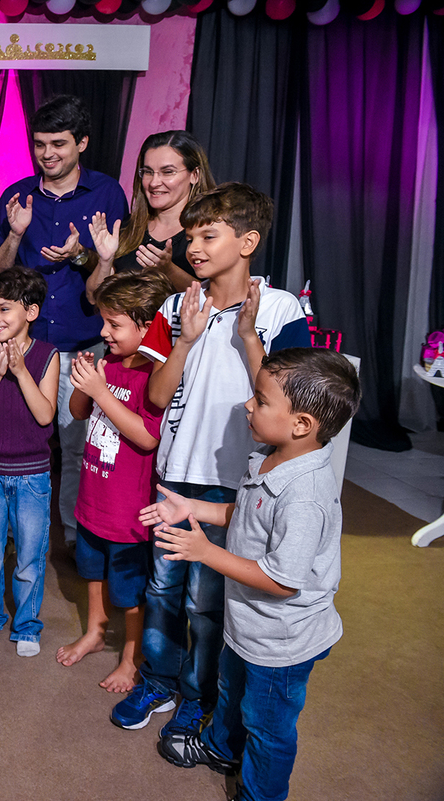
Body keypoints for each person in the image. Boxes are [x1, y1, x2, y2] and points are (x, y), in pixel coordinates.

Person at [112, 183, 312, 737]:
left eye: (208, 236)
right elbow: (156, 397)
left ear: (247, 242)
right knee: (162, 588)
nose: (193, 248)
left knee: (206, 600)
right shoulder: (177, 306)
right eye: (190, 238)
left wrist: (248, 337)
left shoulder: (280, 308)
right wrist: (185, 339)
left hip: (234, 482)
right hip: (176, 474)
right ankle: (158, 678)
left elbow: (289, 400)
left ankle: (198, 695)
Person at [145, 348, 361, 801]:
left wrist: (205, 552)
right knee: (231, 691)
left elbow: (282, 580)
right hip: (247, 623)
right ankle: (222, 748)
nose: (247, 404)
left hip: (281, 641)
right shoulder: (267, 455)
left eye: (260, 400)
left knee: (268, 727)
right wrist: (192, 507)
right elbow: (243, 514)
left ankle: (261, 794)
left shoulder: (306, 495)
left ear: (301, 424)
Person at [0, 95, 130, 551]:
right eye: (40, 144)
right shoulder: (17, 196)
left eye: (59, 144)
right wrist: (16, 234)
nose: (47, 154)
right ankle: (12, 534)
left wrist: (82, 256)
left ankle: (71, 534)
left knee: (76, 443)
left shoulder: (107, 194)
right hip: (24, 346)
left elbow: (113, 276)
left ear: (82, 143)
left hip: (82, 343)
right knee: (15, 439)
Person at [56, 271, 171, 691]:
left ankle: (131, 657)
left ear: (147, 327)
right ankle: (95, 630)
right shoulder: (110, 361)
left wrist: (101, 391)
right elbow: (79, 411)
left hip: (128, 513)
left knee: (129, 591)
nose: (104, 331)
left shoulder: (156, 376)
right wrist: (85, 382)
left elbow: (147, 436)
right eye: (103, 321)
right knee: (92, 571)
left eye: (114, 324)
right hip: (93, 499)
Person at [0, 268, 61, 657]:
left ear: (31, 312)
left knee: (29, 557)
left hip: (32, 474)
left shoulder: (47, 354)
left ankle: (26, 625)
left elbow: (45, 414)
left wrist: (21, 372)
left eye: (4, 309)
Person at [85, 131, 215, 297]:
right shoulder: (129, 229)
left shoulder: (211, 232)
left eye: (167, 172)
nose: (154, 182)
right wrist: (105, 261)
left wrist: (169, 270)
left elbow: (217, 299)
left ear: (194, 175)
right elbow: (93, 297)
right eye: (148, 172)